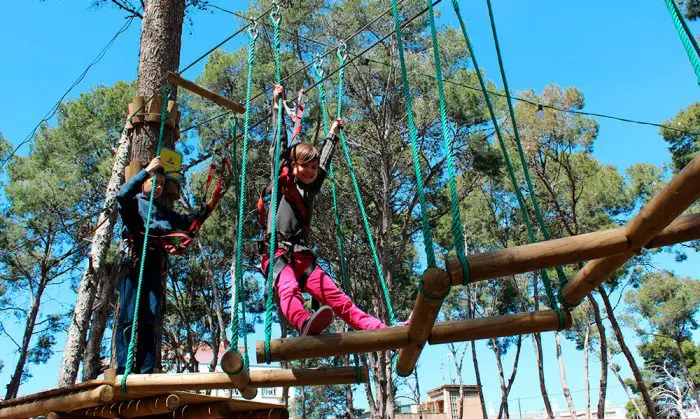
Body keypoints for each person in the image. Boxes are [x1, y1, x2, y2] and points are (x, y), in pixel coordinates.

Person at [262, 84, 388, 336]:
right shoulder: (283, 180)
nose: (310, 172)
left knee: (338, 298)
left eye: (313, 167)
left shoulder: (312, 186)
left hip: (302, 256)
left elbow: (326, 160)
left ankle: (379, 329)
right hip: (276, 253)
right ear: (293, 165)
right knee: (288, 289)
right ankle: (303, 322)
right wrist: (276, 106)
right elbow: (280, 144)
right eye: (304, 167)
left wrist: (333, 133)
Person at [114, 156, 207, 374]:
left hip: (155, 262)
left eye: (162, 185)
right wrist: (146, 171)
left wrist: (205, 210)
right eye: (154, 182)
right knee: (128, 315)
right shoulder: (134, 201)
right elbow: (121, 195)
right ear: (145, 181)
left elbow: (185, 222)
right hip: (136, 259)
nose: (158, 187)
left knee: (150, 316)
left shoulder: (161, 210)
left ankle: (145, 368)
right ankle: (122, 368)